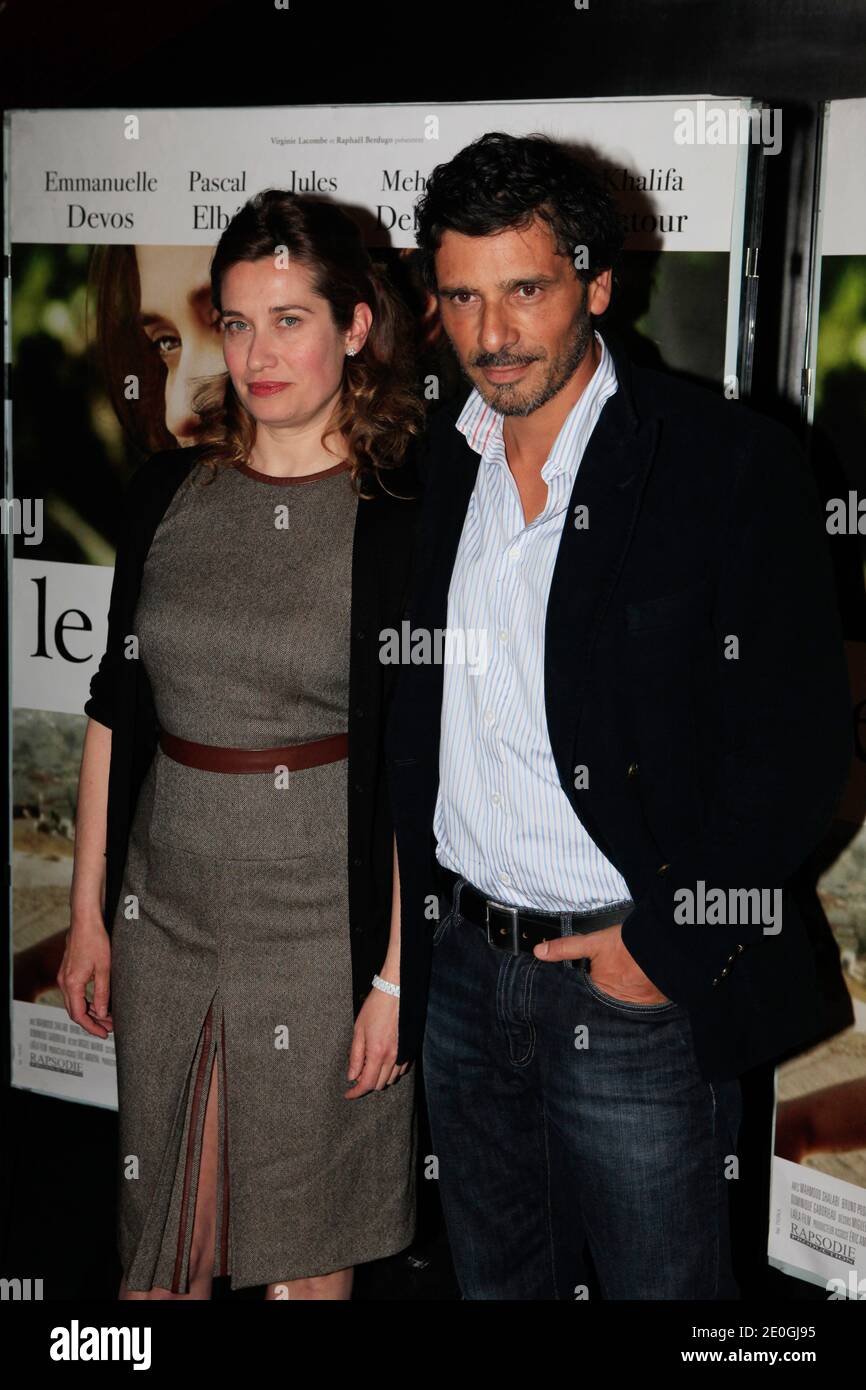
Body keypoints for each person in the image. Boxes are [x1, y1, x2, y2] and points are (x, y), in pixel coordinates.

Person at [384, 132, 854, 1299]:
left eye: (525, 290)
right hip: (463, 971)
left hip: (628, 977)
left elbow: (798, 751)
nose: (491, 334)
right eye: (461, 296)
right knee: (497, 1288)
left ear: (595, 283)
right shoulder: (433, 464)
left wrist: (665, 946)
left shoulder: (723, 464)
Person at [59, 189, 424, 1300]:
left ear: (355, 326)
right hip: (164, 912)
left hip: (325, 927)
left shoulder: (403, 512)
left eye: (290, 320)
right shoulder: (170, 489)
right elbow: (116, 709)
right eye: (237, 322)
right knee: (160, 1241)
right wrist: (87, 917)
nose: (259, 354)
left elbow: (419, 767)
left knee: (305, 1257)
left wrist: (397, 977)